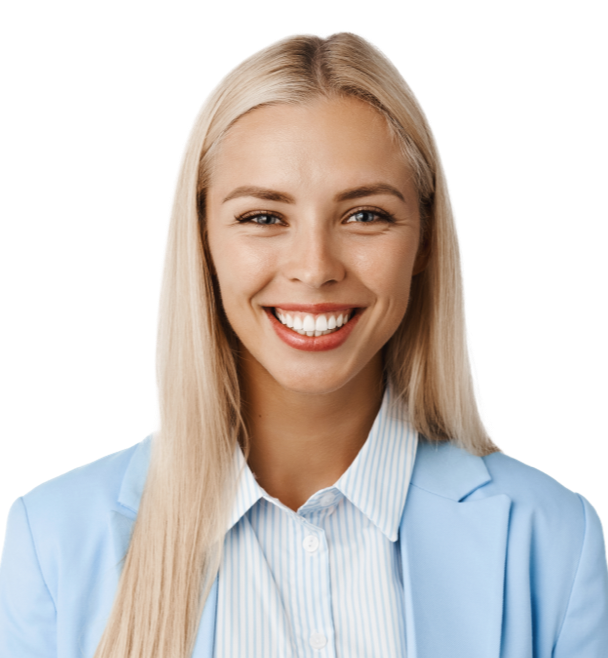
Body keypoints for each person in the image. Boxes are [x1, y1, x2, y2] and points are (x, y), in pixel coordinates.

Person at [1, 30, 607, 658]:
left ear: (425, 240)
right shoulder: (50, 543)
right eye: (264, 217)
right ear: (202, 240)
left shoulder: (554, 541)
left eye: (365, 215)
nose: (315, 268)